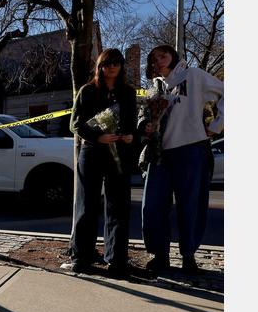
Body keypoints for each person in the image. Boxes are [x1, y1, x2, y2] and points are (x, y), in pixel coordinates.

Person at [139, 45, 223, 274]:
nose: (159, 60)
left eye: (163, 55)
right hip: (160, 153)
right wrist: (145, 126)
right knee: (153, 206)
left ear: (173, 56)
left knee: (190, 205)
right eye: (154, 58)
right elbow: (144, 117)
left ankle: (188, 256)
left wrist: (216, 126)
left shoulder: (194, 76)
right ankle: (160, 255)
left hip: (191, 149)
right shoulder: (153, 88)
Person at [61, 48, 137, 277]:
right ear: (100, 66)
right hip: (92, 152)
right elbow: (75, 124)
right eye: (107, 63)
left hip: (118, 154)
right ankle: (81, 257)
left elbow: (133, 123)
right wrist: (97, 136)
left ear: (122, 66)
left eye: (116, 62)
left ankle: (116, 259)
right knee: (87, 206)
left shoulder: (128, 93)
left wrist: (131, 135)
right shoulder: (87, 91)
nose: (112, 66)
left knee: (118, 207)